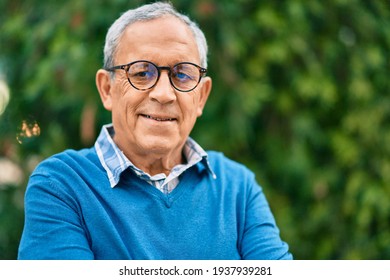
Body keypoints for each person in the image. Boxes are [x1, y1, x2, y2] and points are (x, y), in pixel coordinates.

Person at [18, 2, 292, 260]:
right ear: (107, 89)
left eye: (182, 74)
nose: (163, 94)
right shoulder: (62, 185)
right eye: (141, 73)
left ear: (201, 97)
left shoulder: (237, 188)